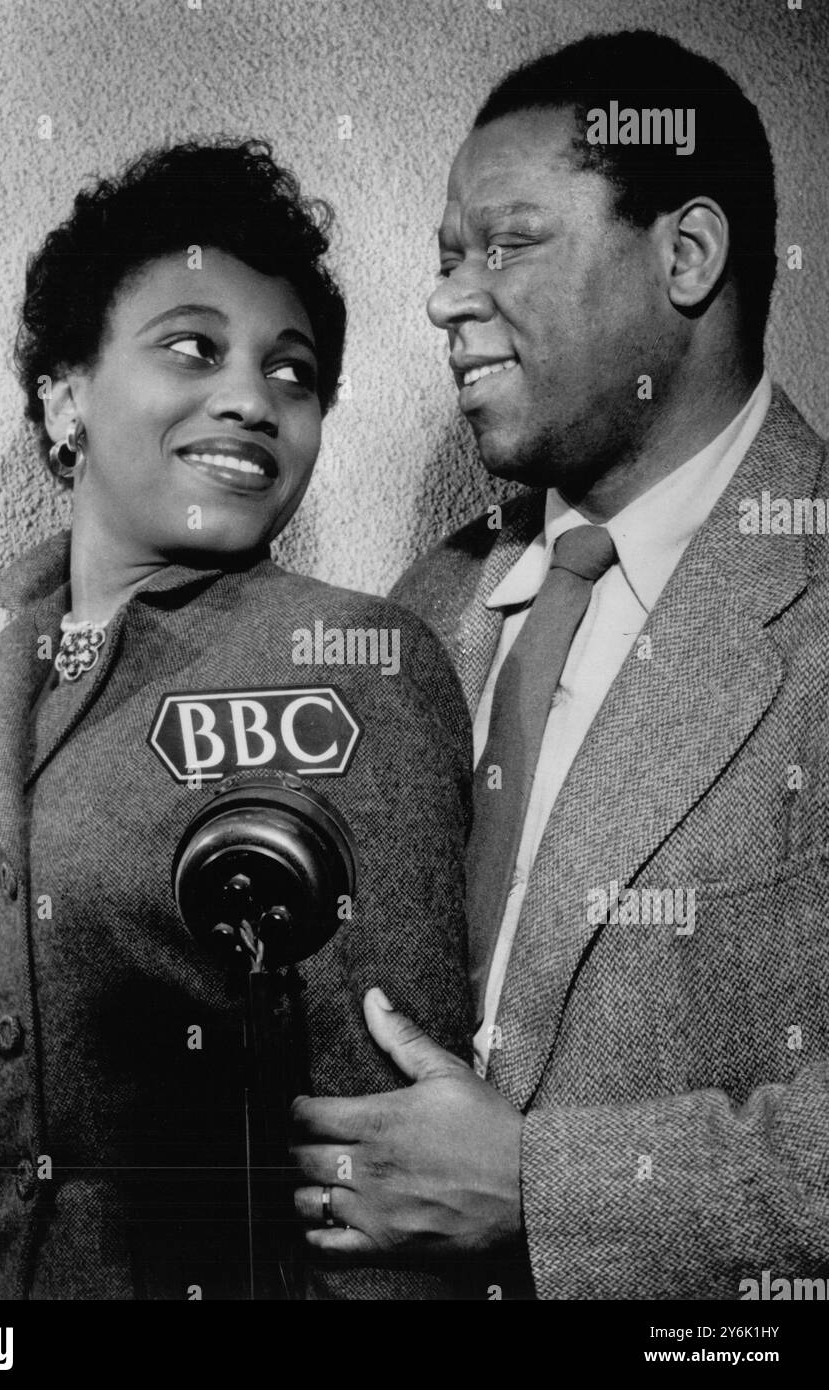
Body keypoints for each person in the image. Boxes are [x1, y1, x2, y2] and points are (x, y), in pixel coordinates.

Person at [0, 138, 474, 1300]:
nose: (253, 399)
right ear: (66, 397)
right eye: (193, 348)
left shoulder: (341, 662)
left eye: (294, 373)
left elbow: (396, 1189)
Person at [291, 31, 829, 1299]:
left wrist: (541, 1187)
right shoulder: (428, 604)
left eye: (507, 244)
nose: (442, 299)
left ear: (686, 255)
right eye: (442, 257)